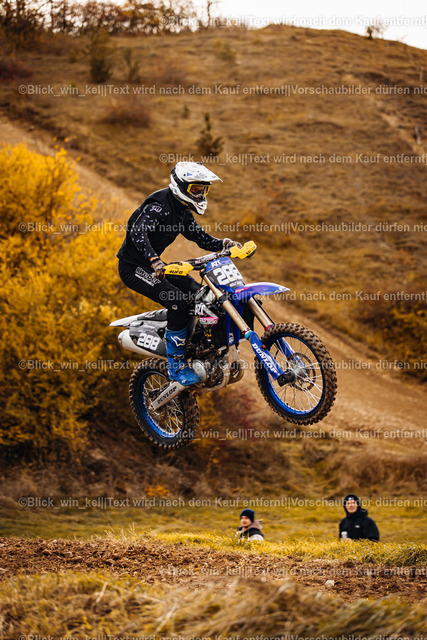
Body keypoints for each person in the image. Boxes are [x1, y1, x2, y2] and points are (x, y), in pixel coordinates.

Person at [117, 161, 241, 387]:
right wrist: (154, 259)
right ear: (181, 186)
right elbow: (137, 232)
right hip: (134, 267)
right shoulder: (159, 206)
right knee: (177, 302)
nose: (200, 194)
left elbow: (200, 238)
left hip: (157, 266)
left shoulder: (182, 211)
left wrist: (224, 244)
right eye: (196, 189)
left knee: (201, 295)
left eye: (203, 190)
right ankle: (176, 365)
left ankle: (196, 345)